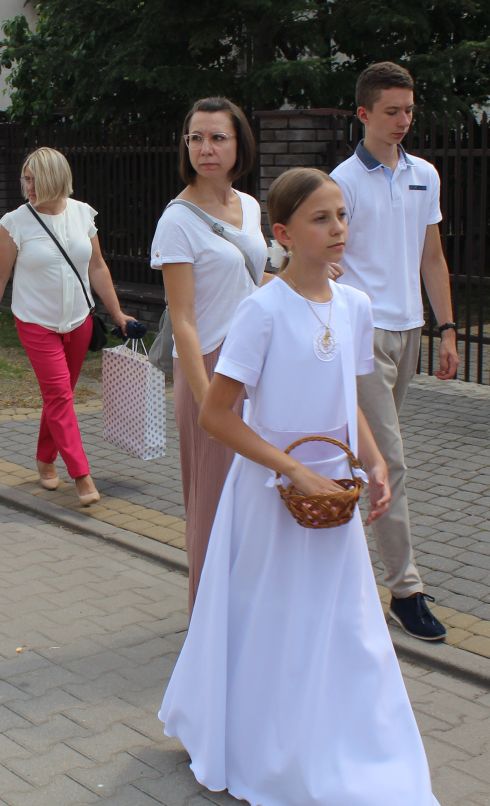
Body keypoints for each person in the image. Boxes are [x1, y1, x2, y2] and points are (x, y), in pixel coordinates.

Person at [160, 168, 433, 805]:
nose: (338, 228)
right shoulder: (261, 311)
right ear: (282, 234)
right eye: (321, 218)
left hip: (331, 493)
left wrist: (374, 461)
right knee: (273, 620)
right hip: (268, 497)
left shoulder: (356, 305)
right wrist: (291, 467)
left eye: (342, 215)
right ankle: (263, 740)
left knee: (345, 624)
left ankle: (344, 738)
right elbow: (217, 415)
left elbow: (347, 397)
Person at [331, 60, 458, 642]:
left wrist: (447, 327)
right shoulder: (342, 182)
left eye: (409, 110)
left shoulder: (424, 174)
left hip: (410, 331)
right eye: (391, 111)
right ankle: (405, 590)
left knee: (364, 459)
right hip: (363, 335)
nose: (403, 120)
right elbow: (328, 257)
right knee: (390, 461)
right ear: (364, 114)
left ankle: (336, 566)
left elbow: (432, 256)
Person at [150, 96, 270, 608]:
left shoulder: (251, 207)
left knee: (252, 496)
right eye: (195, 138)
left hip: (253, 365)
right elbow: (183, 318)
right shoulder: (177, 220)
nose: (205, 148)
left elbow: (254, 281)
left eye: (218, 137)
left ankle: (245, 610)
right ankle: (207, 619)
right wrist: (205, 401)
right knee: (212, 501)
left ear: (239, 144)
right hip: (208, 368)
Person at [0, 147, 135, 505]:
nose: (27, 187)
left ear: (55, 179)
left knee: (60, 396)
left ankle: (45, 459)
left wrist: (118, 313)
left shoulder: (82, 213)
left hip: (79, 321)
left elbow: (97, 267)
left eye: (34, 180)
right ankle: (81, 475)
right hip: (35, 322)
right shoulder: (14, 222)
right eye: (25, 179)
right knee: (60, 396)